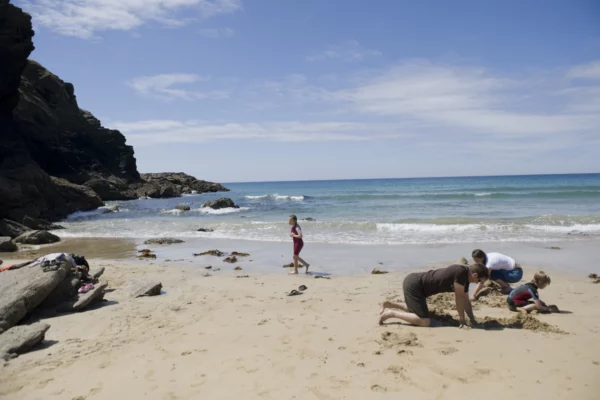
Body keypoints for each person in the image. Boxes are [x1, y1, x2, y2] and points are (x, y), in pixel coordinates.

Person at [379, 263, 489, 328]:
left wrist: (472, 320)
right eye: (479, 281)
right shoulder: (461, 274)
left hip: (417, 286)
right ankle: (391, 313)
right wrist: (462, 321)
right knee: (424, 321)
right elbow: (459, 299)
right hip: (414, 285)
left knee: (416, 311)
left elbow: (466, 301)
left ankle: (390, 304)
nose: (478, 283)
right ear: (475, 275)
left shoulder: (465, 277)